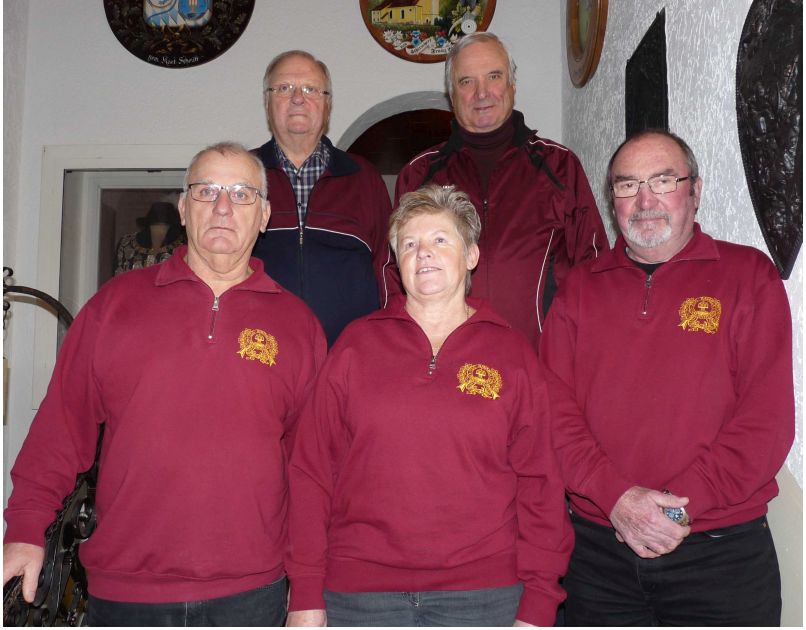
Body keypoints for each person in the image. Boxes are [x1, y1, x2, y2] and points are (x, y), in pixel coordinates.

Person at [3, 142, 327, 626]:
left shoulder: (298, 326)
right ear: (183, 208)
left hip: (252, 593)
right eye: (206, 191)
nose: (222, 206)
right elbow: (60, 427)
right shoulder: (115, 306)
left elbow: (311, 471)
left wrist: (307, 590)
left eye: (241, 193)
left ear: (263, 216)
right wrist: (26, 528)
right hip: (126, 592)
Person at [286, 185, 573, 627]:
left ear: (471, 255)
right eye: (409, 244)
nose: (423, 253)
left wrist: (539, 603)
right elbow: (311, 472)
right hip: (361, 596)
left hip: (484, 597)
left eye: (440, 239)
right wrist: (305, 592)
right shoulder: (355, 346)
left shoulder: (512, 354)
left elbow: (541, 485)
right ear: (396, 262)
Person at [539, 129, 795, 626]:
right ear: (612, 199)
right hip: (598, 556)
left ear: (695, 190)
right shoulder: (578, 290)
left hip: (721, 556)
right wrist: (616, 498)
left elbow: (765, 424)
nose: (645, 200)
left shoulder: (748, 277)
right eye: (627, 185)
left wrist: (674, 511)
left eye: (663, 181)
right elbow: (553, 414)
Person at [393, 32, 608, 350]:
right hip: (445, 360)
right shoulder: (419, 174)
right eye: (467, 81)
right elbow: (394, 275)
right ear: (451, 94)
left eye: (494, 76)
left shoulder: (559, 166)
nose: (481, 93)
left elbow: (595, 268)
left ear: (512, 85)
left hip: (539, 360)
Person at [252, 50, 393, 347]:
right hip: (258, 356)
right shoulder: (241, 177)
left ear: (327, 105)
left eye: (310, 89)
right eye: (284, 88)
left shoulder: (364, 178)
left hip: (349, 358)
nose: (298, 98)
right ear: (266, 102)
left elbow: (388, 270)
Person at [114, 200, 185, 275]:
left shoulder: (185, 245)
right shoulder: (126, 244)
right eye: (156, 226)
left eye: (164, 226)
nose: (159, 230)